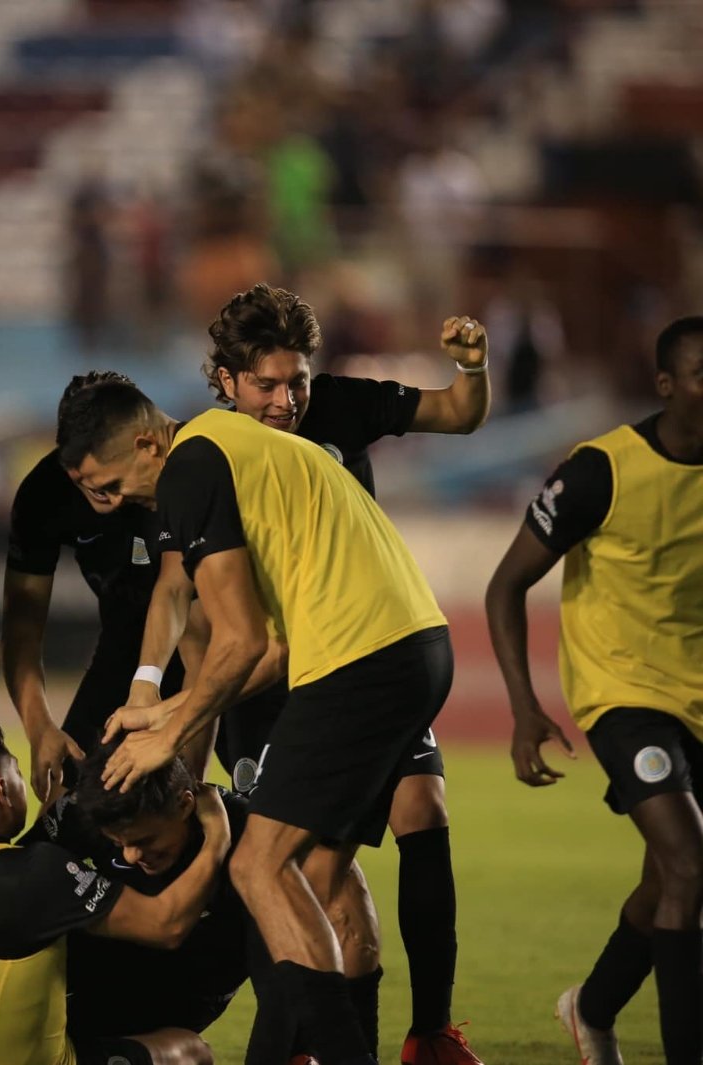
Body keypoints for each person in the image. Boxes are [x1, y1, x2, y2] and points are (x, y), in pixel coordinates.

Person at [127, 284, 490, 1064]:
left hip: (350, 654)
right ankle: (307, 1044)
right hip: (289, 671)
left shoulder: (325, 411)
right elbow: (181, 592)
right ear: (224, 379)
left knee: (404, 817)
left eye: (297, 381)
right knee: (310, 871)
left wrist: (474, 368)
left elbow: (460, 412)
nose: (288, 400)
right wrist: (155, 691)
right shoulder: (214, 455)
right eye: (267, 383)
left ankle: (425, 1032)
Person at [68, 381, 452, 1065]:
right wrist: (161, 707)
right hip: (409, 645)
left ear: (147, 443)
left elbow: (238, 641)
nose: (117, 501)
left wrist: (169, 729)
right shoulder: (237, 448)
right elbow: (272, 647)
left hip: (360, 659)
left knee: (258, 865)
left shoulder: (191, 470)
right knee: (307, 868)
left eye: (114, 482)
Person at [485, 316, 703, 1065]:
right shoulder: (599, 470)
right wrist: (523, 707)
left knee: (666, 881)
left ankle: (593, 1005)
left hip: (698, 693)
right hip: (623, 692)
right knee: (689, 864)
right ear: (667, 385)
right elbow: (505, 585)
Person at [0, 730, 230, 1065]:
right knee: (191, 1050)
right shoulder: (37, 875)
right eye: (17, 770)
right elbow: (165, 924)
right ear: (3, 790)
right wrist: (216, 839)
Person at [1, 371, 183, 803]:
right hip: (122, 651)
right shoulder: (44, 494)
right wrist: (39, 727)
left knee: (196, 808)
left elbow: (187, 605)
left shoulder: (180, 475)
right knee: (67, 800)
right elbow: (21, 629)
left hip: (210, 656)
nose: (111, 498)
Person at [41, 741, 255, 1056]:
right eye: (118, 842)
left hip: (188, 991)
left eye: (145, 840)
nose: (130, 856)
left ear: (185, 805)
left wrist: (217, 842)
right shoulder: (82, 811)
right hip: (94, 980)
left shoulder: (249, 832)